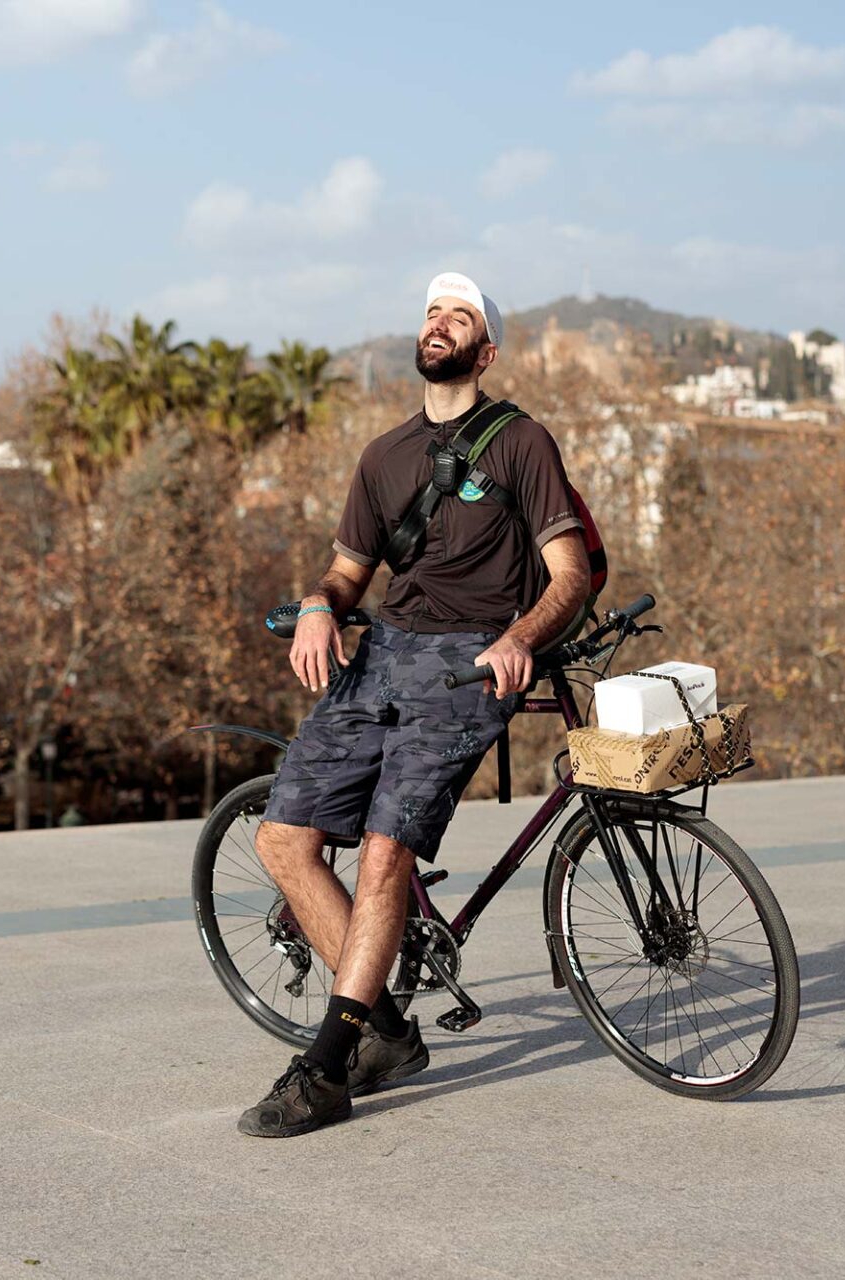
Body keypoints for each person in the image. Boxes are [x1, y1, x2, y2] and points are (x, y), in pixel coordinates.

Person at [238, 272, 592, 1137]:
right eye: (432, 312)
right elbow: (347, 574)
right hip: (381, 654)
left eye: (459, 315)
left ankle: (325, 1068)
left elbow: (571, 575)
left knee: (387, 853)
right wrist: (321, 605)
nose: (439, 323)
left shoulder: (520, 443)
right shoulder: (383, 456)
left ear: (487, 348)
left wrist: (519, 639)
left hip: (469, 663)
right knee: (281, 838)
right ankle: (386, 1033)